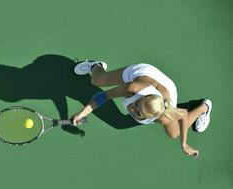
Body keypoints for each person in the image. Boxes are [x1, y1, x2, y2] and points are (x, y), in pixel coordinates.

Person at [71, 61, 212, 157]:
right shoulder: (131, 89)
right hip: (144, 73)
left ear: (152, 117)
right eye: (136, 105)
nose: (132, 110)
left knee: (174, 134)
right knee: (96, 81)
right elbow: (103, 96)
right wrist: (82, 113)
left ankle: (204, 107)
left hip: (167, 91)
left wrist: (184, 144)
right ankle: (96, 65)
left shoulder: (163, 117)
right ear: (140, 98)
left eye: (139, 113)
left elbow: (183, 114)